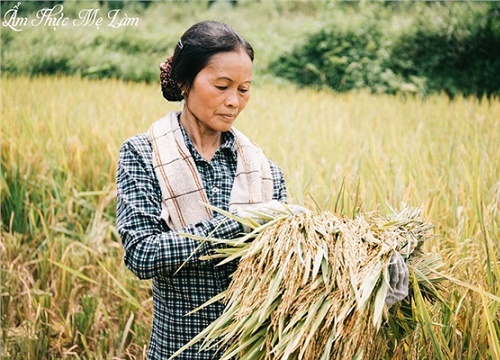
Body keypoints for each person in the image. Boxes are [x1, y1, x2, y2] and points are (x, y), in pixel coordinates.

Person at [116, 20, 408, 360]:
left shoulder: (263, 170)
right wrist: (238, 224)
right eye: (222, 86)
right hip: (178, 351)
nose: (233, 102)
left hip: (250, 350)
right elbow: (141, 254)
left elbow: (290, 263)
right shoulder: (143, 153)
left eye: (243, 90)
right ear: (185, 81)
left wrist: (368, 269)